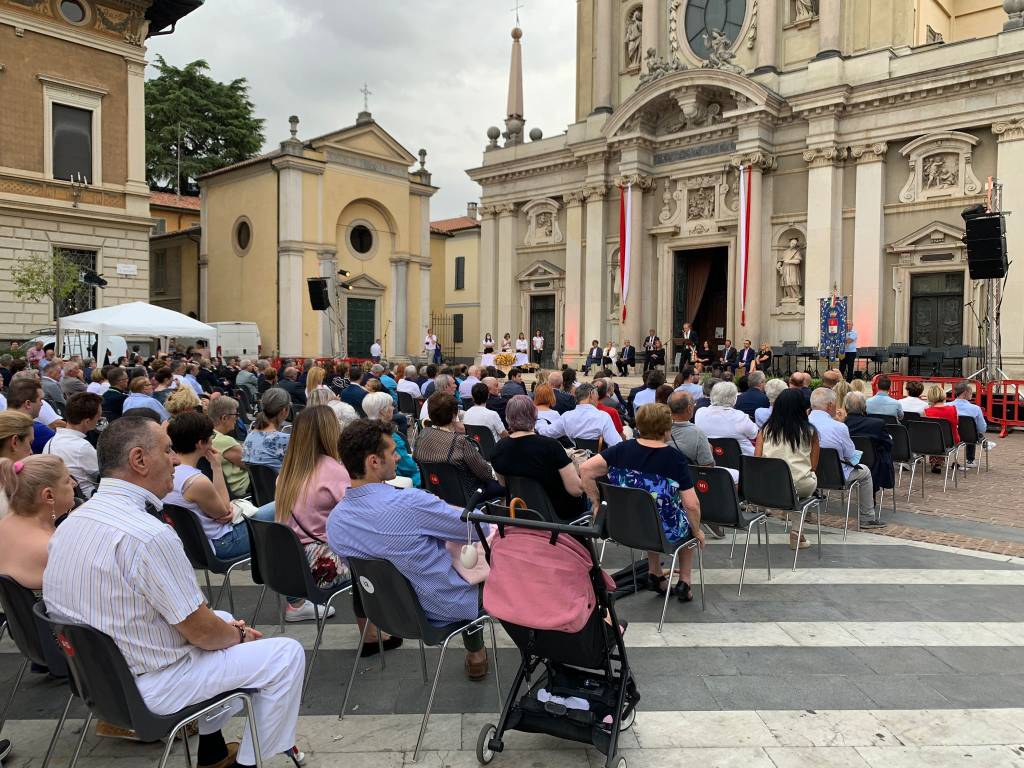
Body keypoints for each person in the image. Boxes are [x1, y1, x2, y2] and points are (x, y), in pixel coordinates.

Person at [43, 415, 306, 768]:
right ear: (139, 460)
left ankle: (212, 753)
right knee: (285, 656)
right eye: (167, 451)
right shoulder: (146, 535)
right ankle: (249, 764)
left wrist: (227, 630)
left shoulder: (72, 522)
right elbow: (202, 632)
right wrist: (239, 635)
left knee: (224, 620)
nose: (175, 459)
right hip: (151, 685)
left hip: (98, 681)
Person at [328, 419, 493, 680]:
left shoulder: (336, 521)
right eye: (392, 452)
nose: (398, 457)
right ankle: (490, 652)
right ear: (373, 461)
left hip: (387, 611)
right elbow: (479, 530)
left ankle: (477, 653)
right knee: (497, 562)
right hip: (442, 607)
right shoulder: (411, 503)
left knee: (450, 557)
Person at [580, 403, 704, 601]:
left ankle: (654, 573)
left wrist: (596, 503)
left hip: (623, 525)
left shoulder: (621, 449)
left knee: (650, 513)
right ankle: (685, 582)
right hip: (660, 530)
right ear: (666, 429)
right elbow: (692, 504)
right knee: (688, 526)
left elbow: (585, 469)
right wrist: (697, 531)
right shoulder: (675, 458)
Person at [165, 412, 268, 559]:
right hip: (223, 543)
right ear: (201, 443)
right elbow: (224, 511)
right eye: (211, 437)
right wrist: (217, 467)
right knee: (285, 508)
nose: (212, 441)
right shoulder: (196, 481)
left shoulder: (167, 473)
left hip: (190, 548)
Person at [491, 395, 586, 518]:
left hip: (520, 513)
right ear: (534, 415)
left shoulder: (498, 449)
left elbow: (504, 484)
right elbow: (575, 490)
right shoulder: (551, 446)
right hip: (558, 517)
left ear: (508, 418)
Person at [0, 455, 77, 591]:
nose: (74, 483)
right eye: (66, 481)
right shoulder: (52, 547)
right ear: (48, 495)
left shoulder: (4, 523)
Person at [756, 388, 819, 549]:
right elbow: (813, 466)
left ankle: (795, 527)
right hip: (799, 484)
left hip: (768, 485)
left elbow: (756, 460)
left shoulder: (765, 430)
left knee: (792, 486)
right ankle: (797, 532)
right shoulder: (810, 431)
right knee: (805, 483)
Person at [414, 392, 504, 502]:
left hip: (435, 494)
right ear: (454, 415)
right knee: (504, 486)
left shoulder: (422, 435)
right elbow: (486, 473)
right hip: (469, 496)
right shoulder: (459, 442)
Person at [809, 388, 876, 524]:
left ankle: (806, 514)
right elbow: (851, 456)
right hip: (835, 476)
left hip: (808, 474)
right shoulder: (839, 427)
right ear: (830, 405)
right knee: (865, 472)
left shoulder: (801, 423)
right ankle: (867, 517)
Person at [42, 392, 102, 498]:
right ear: (87, 422)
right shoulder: (82, 447)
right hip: (87, 500)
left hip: (60, 498)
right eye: (98, 418)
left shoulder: (51, 442)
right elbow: (105, 474)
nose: (100, 419)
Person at [363, 391, 421, 488]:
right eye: (391, 405)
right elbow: (408, 467)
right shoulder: (390, 437)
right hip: (399, 480)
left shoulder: (361, 432)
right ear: (383, 411)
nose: (393, 408)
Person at [695, 381, 759, 455]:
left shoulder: (700, 413)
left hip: (710, 459)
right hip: (741, 462)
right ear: (734, 398)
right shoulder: (739, 417)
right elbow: (754, 434)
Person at [208, 396, 250, 500]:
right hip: (245, 488)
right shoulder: (225, 441)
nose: (238, 418)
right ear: (224, 418)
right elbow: (251, 465)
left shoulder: (206, 436)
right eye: (236, 415)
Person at [242, 388, 292, 472]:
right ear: (284, 410)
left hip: (258, 485)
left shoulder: (250, 435)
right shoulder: (286, 440)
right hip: (282, 484)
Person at [562, 382, 623, 449]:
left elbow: (550, 432)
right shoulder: (603, 416)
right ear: (591, 394)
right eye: (597, 394)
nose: (598, 397)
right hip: (599, 457)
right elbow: (616, 444)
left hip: (578, 456)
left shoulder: (566, 416)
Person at [7, 378, 55, 454]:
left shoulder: (3, 425)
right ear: (28, 404)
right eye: (40, 400)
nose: (42, 404)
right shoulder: (39, 430)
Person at [667, 391, 714, 469]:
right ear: (689, 408)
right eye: (693, 405)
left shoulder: (659, 428)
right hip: (688, 478)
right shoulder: (697, 434)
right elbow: (707, 467)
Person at [922, 384, 960, 472]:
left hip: (933, 440)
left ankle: (936, 461)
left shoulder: (926, 412)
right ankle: (939, 461)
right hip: (951, 440)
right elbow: (956, 422)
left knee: (935, 434)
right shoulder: (953, 409)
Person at [951, 380, 987, 467]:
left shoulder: (947, 406)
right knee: (972, 431)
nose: (972, 394)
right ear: (965, 392)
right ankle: (970, 460)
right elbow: (982, 428)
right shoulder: (975, 408)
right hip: (970, 437)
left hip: (950, 436)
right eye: (971, 392)